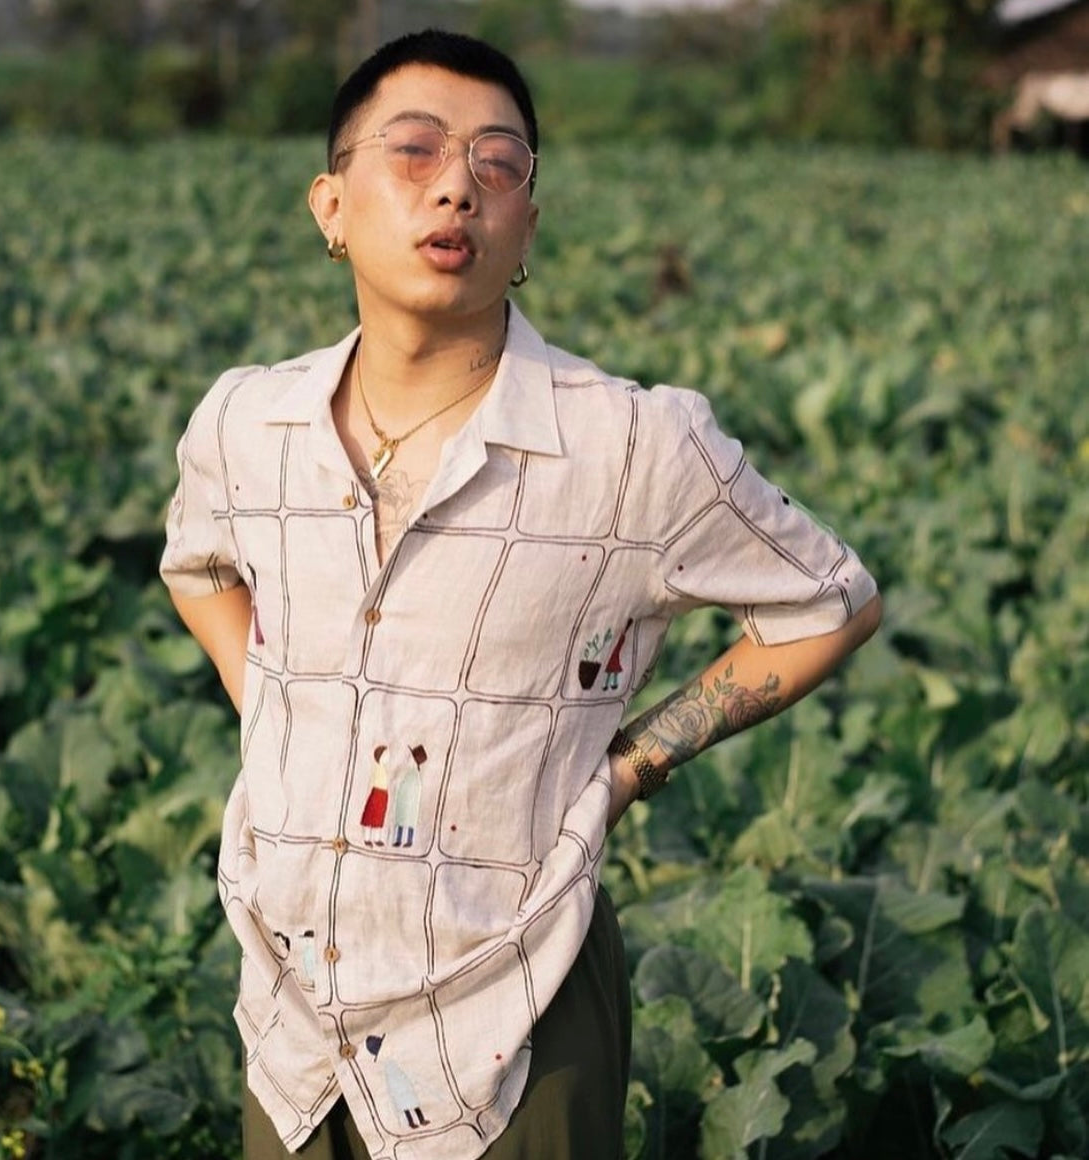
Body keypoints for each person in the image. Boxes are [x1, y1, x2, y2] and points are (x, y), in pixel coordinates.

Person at [160, 28, 882, 1160]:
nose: (457, 183)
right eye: (413, 151)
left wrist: (635, 763)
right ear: (331, 205)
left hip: (514, 1022)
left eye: (499, 164)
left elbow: (829, 599)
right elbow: (197, 561)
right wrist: (272, 703)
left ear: (526, 229)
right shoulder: (250, 421)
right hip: (296, 1035)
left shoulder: (632, 445)